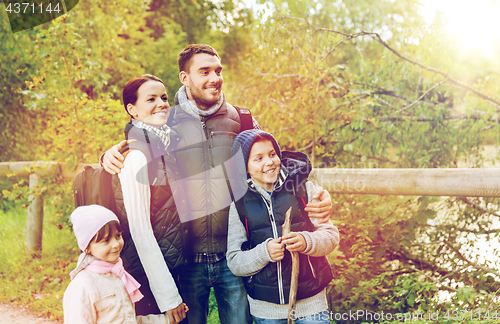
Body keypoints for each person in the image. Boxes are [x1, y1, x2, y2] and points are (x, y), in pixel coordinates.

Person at [101, 44, 333, 324]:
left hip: (234, 255)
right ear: (185, 78)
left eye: (218, 71)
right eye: (205, 71)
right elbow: (137, 138)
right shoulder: (165, 121)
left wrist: (319, 192)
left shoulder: (243, 120)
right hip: (185, 260)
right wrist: (108, 154)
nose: (215, 78)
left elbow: (276, 166)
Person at [226, 130, 339, 324]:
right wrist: (265, 252)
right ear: (244, 167)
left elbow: (331, 236)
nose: (269, 162)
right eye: (258, 158)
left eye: (272, 154)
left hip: (312, 306)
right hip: (266, 312)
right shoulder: (239, 205)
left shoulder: (302, 189)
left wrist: (307, 241)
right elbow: (235, 261)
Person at [112, 74, 188, 324]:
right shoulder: (136, 156)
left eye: (164, 98)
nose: (162, 103)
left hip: (173, 268)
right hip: (150, 279)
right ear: (132, 110)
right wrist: (168, 297)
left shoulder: (166, 145)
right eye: (151, 99)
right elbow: (140, 231)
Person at [63, 205, 143, 324]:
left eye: (118, 236)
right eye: (106, 240)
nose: (116, 244)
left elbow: (128, 319)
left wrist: (166, 320)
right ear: (87, 248)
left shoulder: (118, 274)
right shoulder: (83, 286)